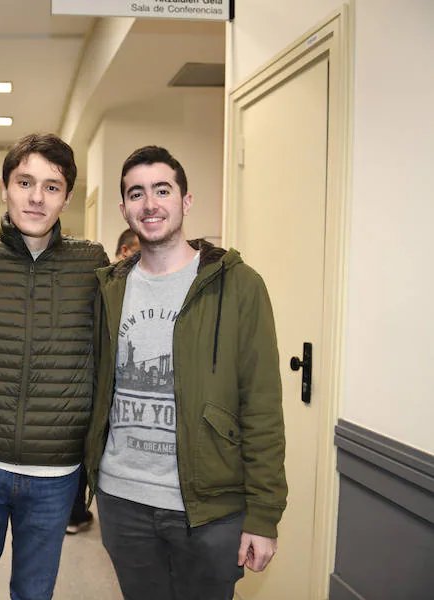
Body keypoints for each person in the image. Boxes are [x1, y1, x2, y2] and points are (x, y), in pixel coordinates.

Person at [84, 145, 287, 600]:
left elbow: (263, 406)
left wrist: (264, 516)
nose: (150, 204)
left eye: (162, 190)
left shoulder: (237, 284)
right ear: (124, 209)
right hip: (123, 501)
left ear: (185, 201)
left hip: (210, 508)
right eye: (137, 193)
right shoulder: (108, 287)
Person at [0, 133, 109, 600]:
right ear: (4, 188)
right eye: (24, 182)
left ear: (67, 197)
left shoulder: (92, 264)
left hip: (56, 473)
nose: (37, 197)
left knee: (34, 594)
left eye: (51, 186)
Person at [66, 229, 139, 535]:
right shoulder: (104, 284)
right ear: (123, 250)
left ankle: (77, 513)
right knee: (85, 450)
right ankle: (75, 513)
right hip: (92, 391)